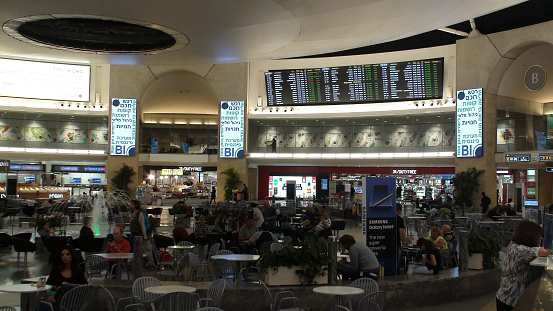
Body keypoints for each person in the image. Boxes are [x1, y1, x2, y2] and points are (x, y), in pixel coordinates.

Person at [496, 221, 549, 311]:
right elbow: (544, 251)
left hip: (509, 299)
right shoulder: (519, 250)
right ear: (530, 235)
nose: (541, 238)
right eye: (539, 235)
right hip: (509, 300)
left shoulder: (514, 246)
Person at [129, 199, 154, 268]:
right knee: (134, 249)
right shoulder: (133, 214)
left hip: (139, 234)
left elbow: (142, 225)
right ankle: (135, 263)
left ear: (136, 205)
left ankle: (148, 263)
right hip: (134, 234)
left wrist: (145, 236)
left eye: (132, 204)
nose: (130, 206)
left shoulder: (139, 214)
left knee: (143, 249)